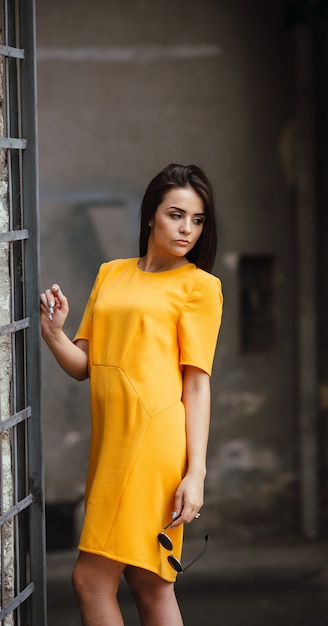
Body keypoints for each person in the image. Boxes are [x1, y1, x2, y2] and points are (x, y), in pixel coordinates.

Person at [40, 163, 223, 626]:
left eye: (197, 220)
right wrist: (54, 332)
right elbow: (86, 366)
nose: (187, 229)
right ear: (150, 216)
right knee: (148, 582)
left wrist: (196, 473)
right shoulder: (111, 274)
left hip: (153, 443)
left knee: (90, 579)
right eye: (176, 215)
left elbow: (197, 383)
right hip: (112, 445)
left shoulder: (200, 287)